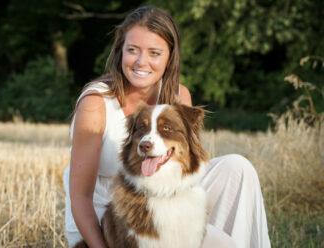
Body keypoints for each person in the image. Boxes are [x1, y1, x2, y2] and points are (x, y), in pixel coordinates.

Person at [63, 6, 271, 248]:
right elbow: (80, 196)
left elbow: (188, 166)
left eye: (154, 53)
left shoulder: (178, 96)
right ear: (120, 50)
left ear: (170, 57)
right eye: (132, 50)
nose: (141, 62)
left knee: (238, 168)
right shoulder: (95, 104)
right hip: (106, 216)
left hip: (165, 202)